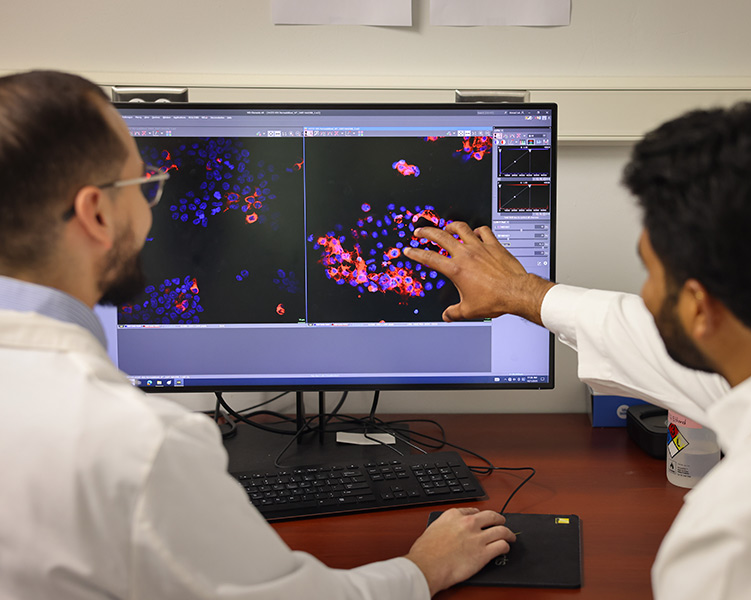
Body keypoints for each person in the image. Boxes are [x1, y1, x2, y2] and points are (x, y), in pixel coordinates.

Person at [0, 70, 515, 600]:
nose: (151, 209)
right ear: (97, 213)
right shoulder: (139, 446)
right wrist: (421, 568)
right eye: (143, 186)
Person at [404, 103, 751, 599]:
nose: (644, 297)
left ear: (701, 308)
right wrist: (525, 293)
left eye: (650, 273)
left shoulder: (739, 537)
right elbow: (641, 336)